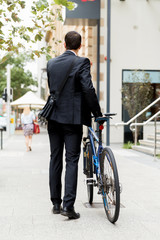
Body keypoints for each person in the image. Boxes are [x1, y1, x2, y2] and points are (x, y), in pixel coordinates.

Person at [47, 31, 102, 220]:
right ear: (80, 45)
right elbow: (87, 89)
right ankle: (67, 206)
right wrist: (97, 114)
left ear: (64, 45)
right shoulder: (82, 62)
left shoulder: (51, 63)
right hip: (72, 119)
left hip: (53, 118)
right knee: (71, 160)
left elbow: (53, 90)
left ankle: (55, 203)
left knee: (55, 158)